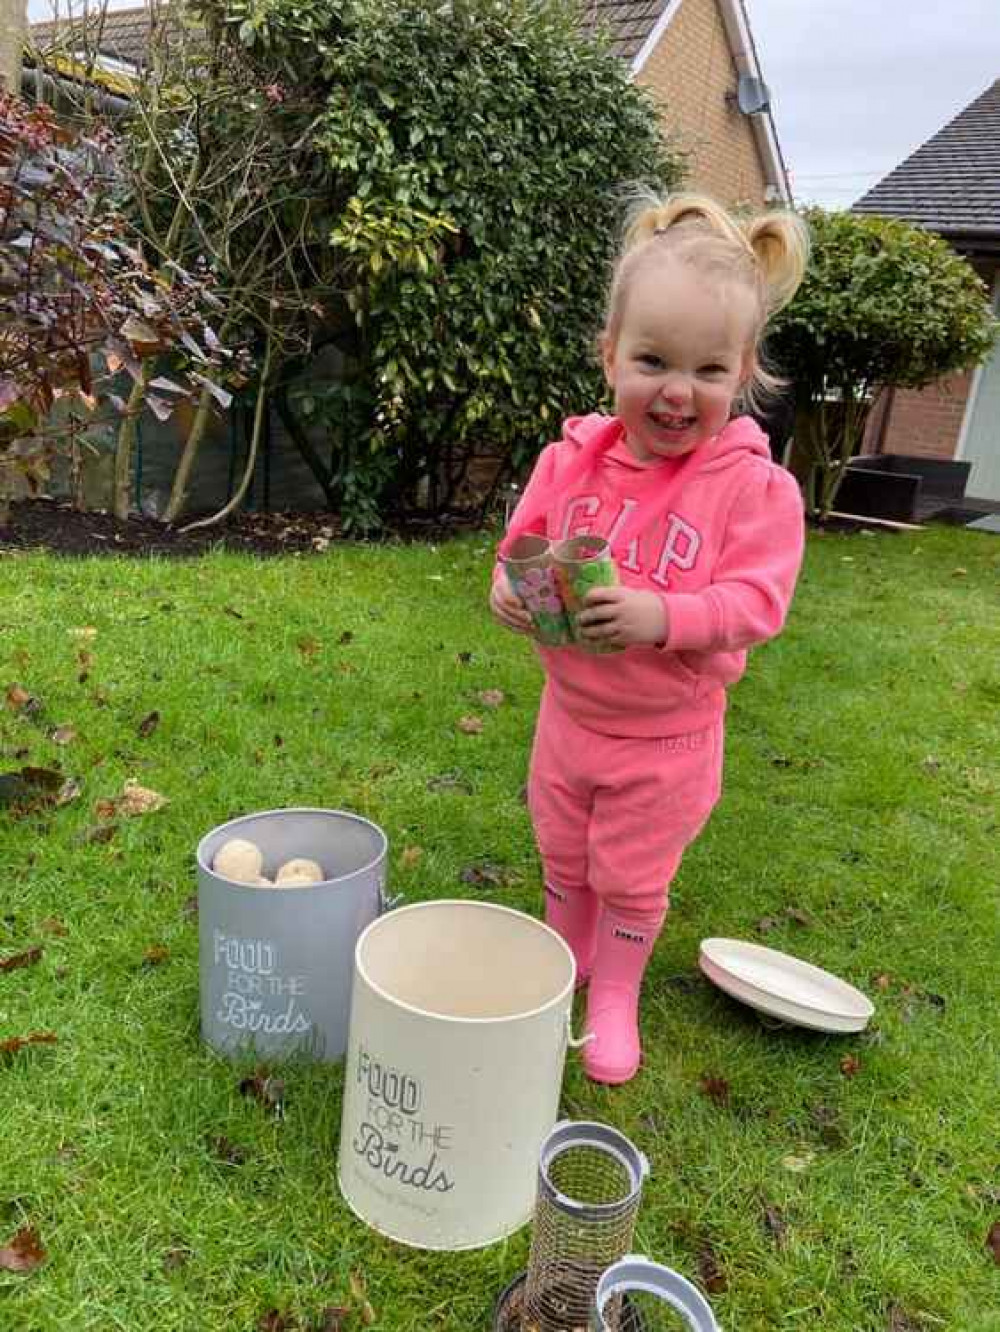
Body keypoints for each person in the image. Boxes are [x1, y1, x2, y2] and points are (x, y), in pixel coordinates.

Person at [489, 192, 810, 1085]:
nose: (677, 391)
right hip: (571, 716)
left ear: (742, 373)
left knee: (630, 870)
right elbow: (524, 544)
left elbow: (757, 601)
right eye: (653, 361)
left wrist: (663, 616)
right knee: (562, 844)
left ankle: (616, 992)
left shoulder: (751, 489)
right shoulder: (572, 460)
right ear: (610, 357)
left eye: (708, 370)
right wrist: (509, 592)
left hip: (665, 739)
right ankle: (568, 952)